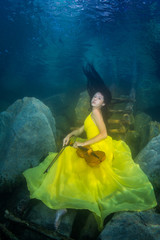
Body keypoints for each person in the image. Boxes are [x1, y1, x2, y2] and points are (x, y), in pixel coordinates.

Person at [22, 65, 157, 231]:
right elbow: (81, 129)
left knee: (69, 159)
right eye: (95, 96)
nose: (95, 98)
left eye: (99, 98)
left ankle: (62, 204)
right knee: (68, 157)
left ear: (103, 103)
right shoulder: (91, 112)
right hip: (93, 143)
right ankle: (63, 204)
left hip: (99, 145)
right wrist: (70, 135)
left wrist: (83, 143)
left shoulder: (96, 113)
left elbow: (103, 134)